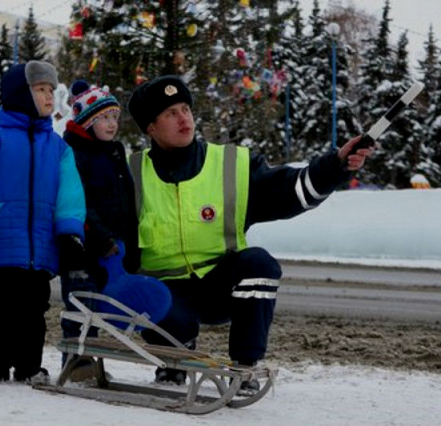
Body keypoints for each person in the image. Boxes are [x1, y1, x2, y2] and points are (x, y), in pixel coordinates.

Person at [127, 75, 372, 393]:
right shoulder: (131, 174)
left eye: (186, 108)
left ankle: (244, 367)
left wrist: (336, 165)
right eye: (170, 113)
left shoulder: (231, 164)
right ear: (150, 127)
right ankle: (173, 359)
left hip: (219, 286)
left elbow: (289, 190)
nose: (183, 118)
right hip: (165, 294)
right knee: (154, 299)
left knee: (260, 263)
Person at [0, 61, 86, 386]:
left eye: (51, 91)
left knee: (33, 309)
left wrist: (69, 230)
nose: (48, 98)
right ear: (19, 94)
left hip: (40, 246)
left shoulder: (58, 148)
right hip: (0, 241)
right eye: (40, 90)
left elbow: (70, 191)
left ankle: (29, 365)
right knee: (0, 307)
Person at [59, 81, 140, 380]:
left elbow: (126, 204)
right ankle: (75, 363)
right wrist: (100, 236)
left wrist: (130, 242)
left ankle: (92, 364)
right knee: (81, 306)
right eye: (105, 118)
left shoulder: (114, 153)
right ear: (88, 120)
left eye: (115, 117)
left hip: (112, 249)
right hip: (82, 249)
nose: (112, 124)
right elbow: (78, 201)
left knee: (100, 310)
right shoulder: (75, 153)